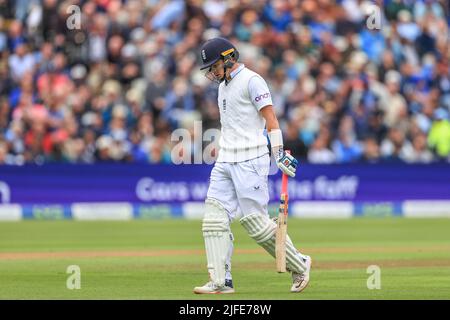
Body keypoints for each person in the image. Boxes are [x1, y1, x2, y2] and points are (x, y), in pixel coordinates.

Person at [193, 37, 312, 294]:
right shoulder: (223, 86)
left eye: (214, 66)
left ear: (229, 58)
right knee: (213, 219)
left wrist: (278, 153)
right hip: (225, 159)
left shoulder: (252, 80)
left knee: (255, 224)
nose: (212, 72)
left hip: (251, 159)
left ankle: (299, 263)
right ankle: (220, 281)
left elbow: (270, 119)